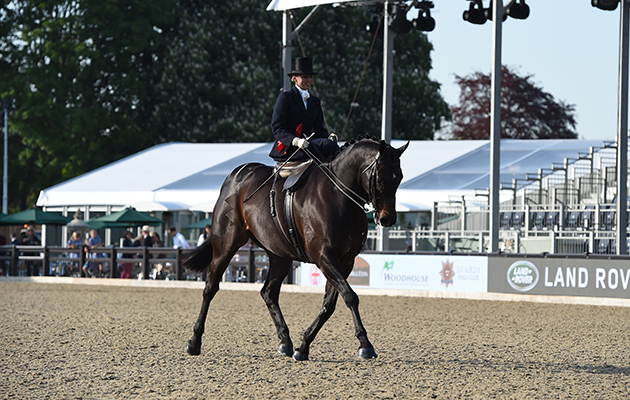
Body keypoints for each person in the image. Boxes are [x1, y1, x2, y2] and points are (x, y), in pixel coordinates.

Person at [268, 57, 338, 164]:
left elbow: (319, 130)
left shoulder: (315, 101)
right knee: (327, 145)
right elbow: (277, 127)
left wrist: (329, 137)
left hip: (308, 145)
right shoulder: (286, 97)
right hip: (290, 147)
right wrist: (295, 141)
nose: (309, 80)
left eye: (310, 77)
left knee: (334, 146)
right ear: (294, 78)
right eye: (305, 77)